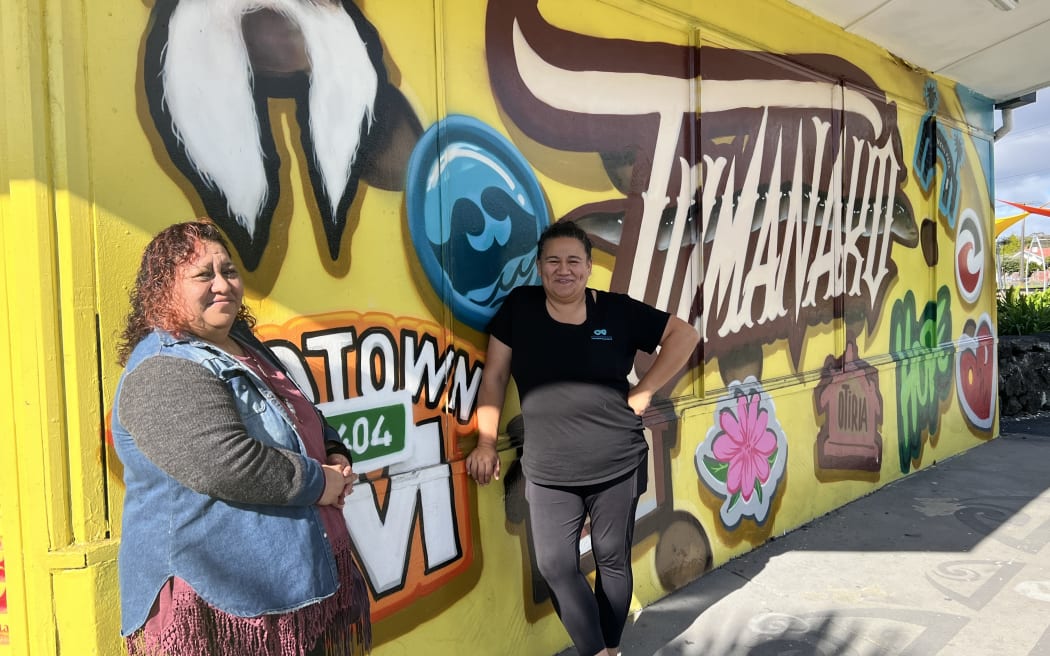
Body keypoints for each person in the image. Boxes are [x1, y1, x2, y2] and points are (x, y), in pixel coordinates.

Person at [111, 220, 371, 656]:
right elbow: (227, 464)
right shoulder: (162, 368)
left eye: (229, 271)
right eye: (203, 275)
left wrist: (333, 449)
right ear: (164, 288)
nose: (223, 285)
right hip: (221, 600)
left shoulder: (242, 342)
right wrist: (320, 483)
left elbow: (298, 410)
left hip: (290, 582)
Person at [466, 220, 700, 656]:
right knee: (555, 564)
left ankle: (604, 650)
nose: (563, 269)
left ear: (590, 267)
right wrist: (484, 441)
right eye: (553, 260)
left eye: (574, 260)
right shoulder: (520, 309)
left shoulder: (617, 311)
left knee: (612, 558)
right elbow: (494, 376)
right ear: (538, 267)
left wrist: (646, 390)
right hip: (548, 467)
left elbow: (684, 335)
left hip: (617, 460)